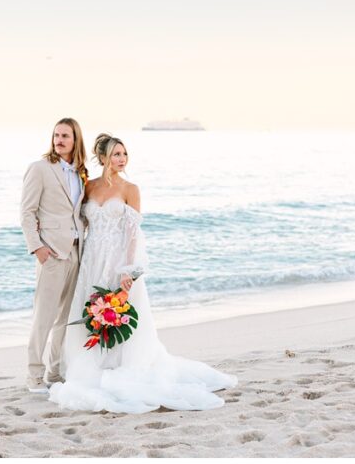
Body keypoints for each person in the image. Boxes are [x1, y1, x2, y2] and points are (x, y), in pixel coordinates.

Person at [48, 133, 237, 413]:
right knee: (90, 310)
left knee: (118, 311)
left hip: (117, 260)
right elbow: (79, 223)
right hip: (91, 260)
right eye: (116, 154)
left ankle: (121, 365)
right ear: (103, 158)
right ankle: (90, 365)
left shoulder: (131, 189)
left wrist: (129, 271)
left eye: (124, 154)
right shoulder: (89, 186)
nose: (122, 159)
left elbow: (133, 234)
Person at [19, 118, 88, 393]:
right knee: (44, 317)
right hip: (50, 254)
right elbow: (26, 212)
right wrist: (37, 247)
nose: (59, 140)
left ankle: (55, 372)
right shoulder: (39, 169)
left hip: (75, 251)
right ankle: (33, 376)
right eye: (56, 135)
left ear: (75, 140)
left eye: (65, 136)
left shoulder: (80, 173)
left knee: (64, 319)